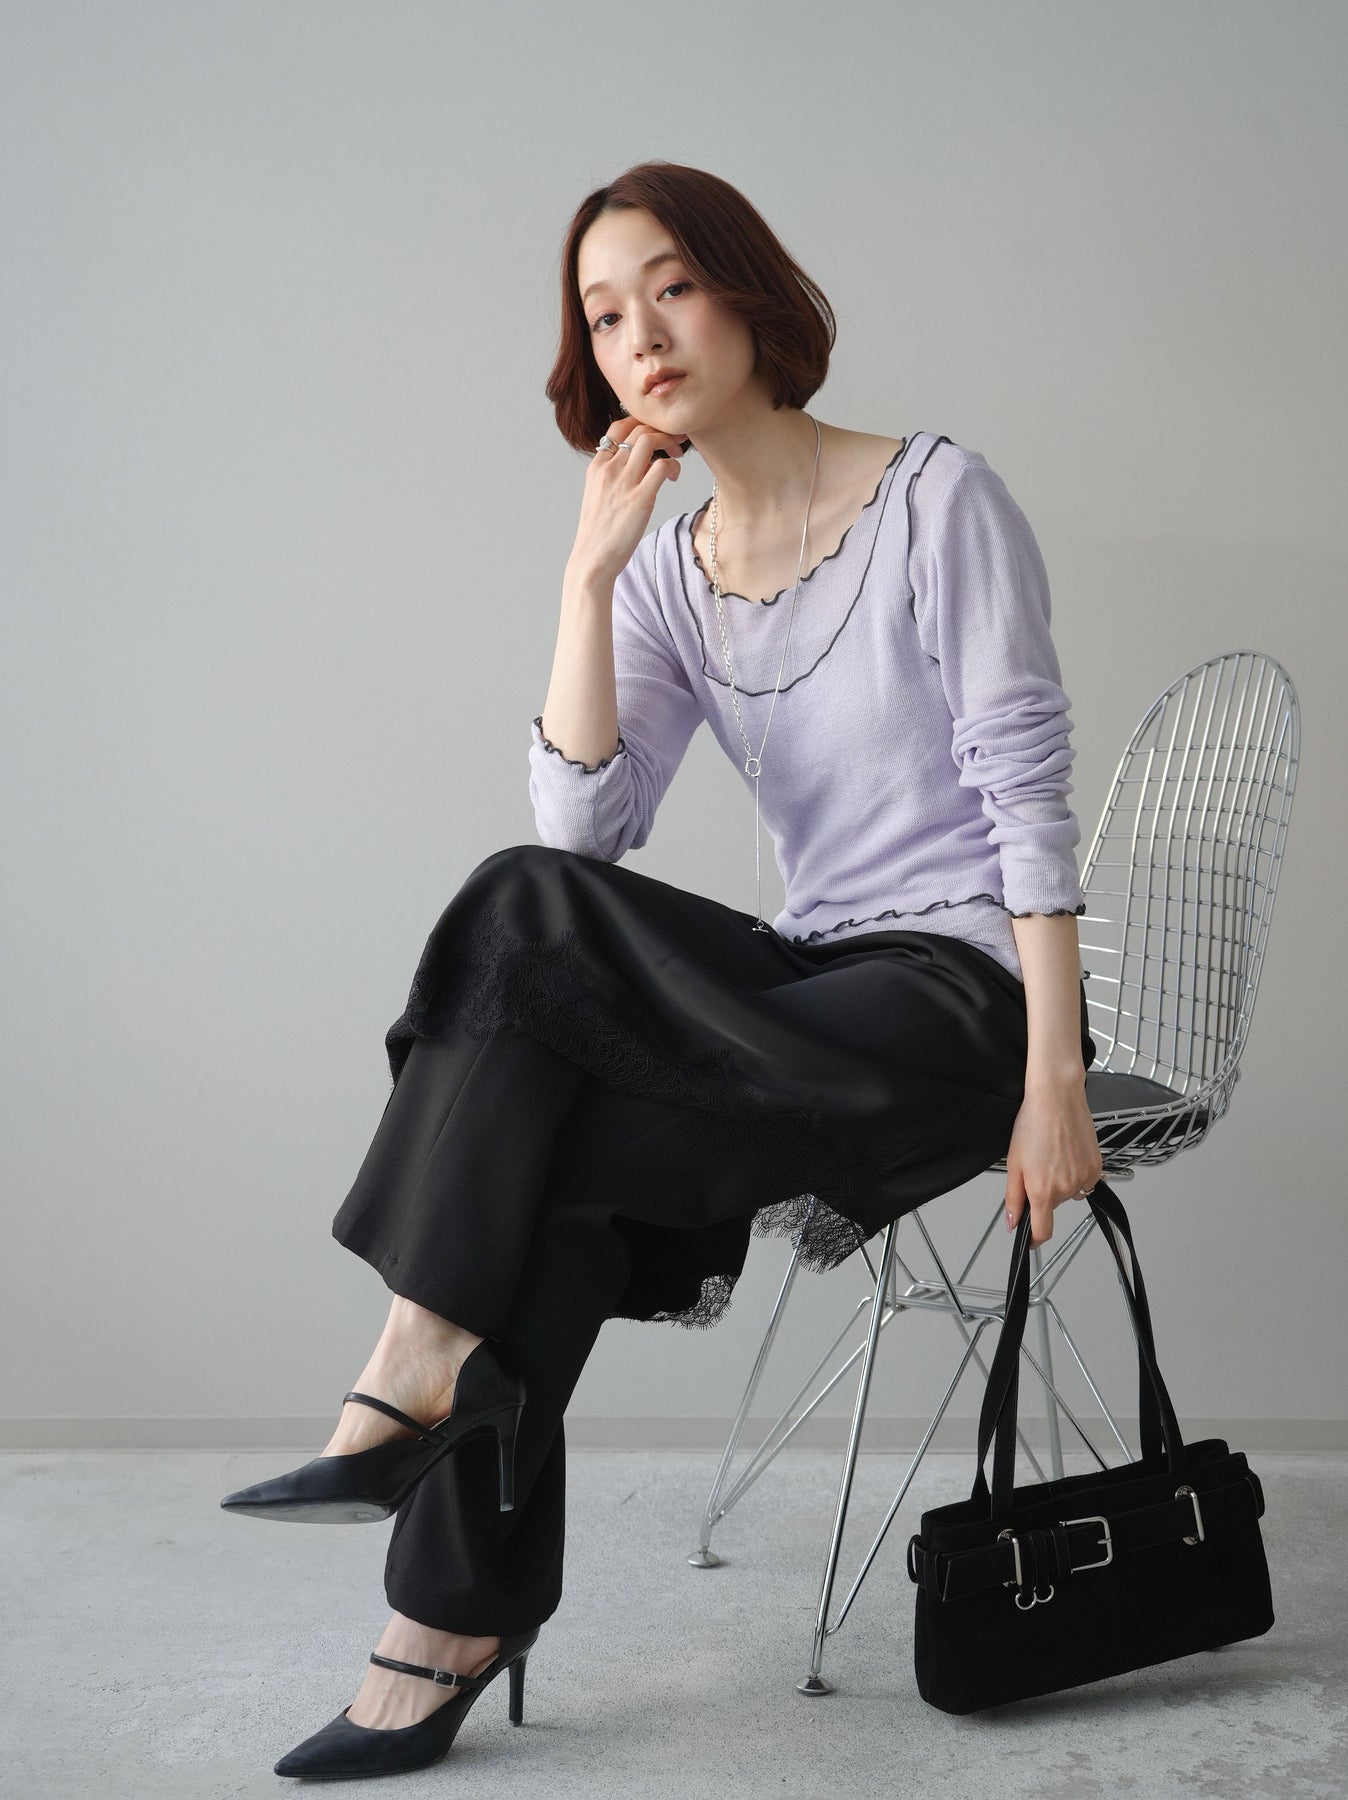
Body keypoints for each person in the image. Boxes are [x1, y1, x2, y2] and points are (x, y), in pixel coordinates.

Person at [221, 159, 1103, 1780]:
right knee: (540, 1089)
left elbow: (1027, 798)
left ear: (751, 294)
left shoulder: (936, 499)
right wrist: (590, 574)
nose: (642, 335)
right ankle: (447, 1613)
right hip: (810, 980)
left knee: (526, 961)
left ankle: (413, 1385)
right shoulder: (674, 570)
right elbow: (585, 832)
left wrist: (1055, 1078)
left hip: (958, 998)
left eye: (673, 289)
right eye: (606, 314)